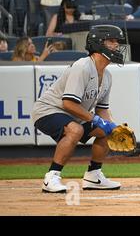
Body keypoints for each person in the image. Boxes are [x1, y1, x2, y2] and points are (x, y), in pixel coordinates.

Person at [32, 25, 127, 193]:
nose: (116, 45)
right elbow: (68, 103)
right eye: (112, 41)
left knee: (108, 131)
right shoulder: (82, 66)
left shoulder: (107, 75)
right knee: (75, 130)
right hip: (47, 110)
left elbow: (102, 109)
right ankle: (51, 177)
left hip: (72, 114)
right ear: (99, 43)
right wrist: (96, 120)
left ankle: (94, 176)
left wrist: (113, 127)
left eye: (117, 42)